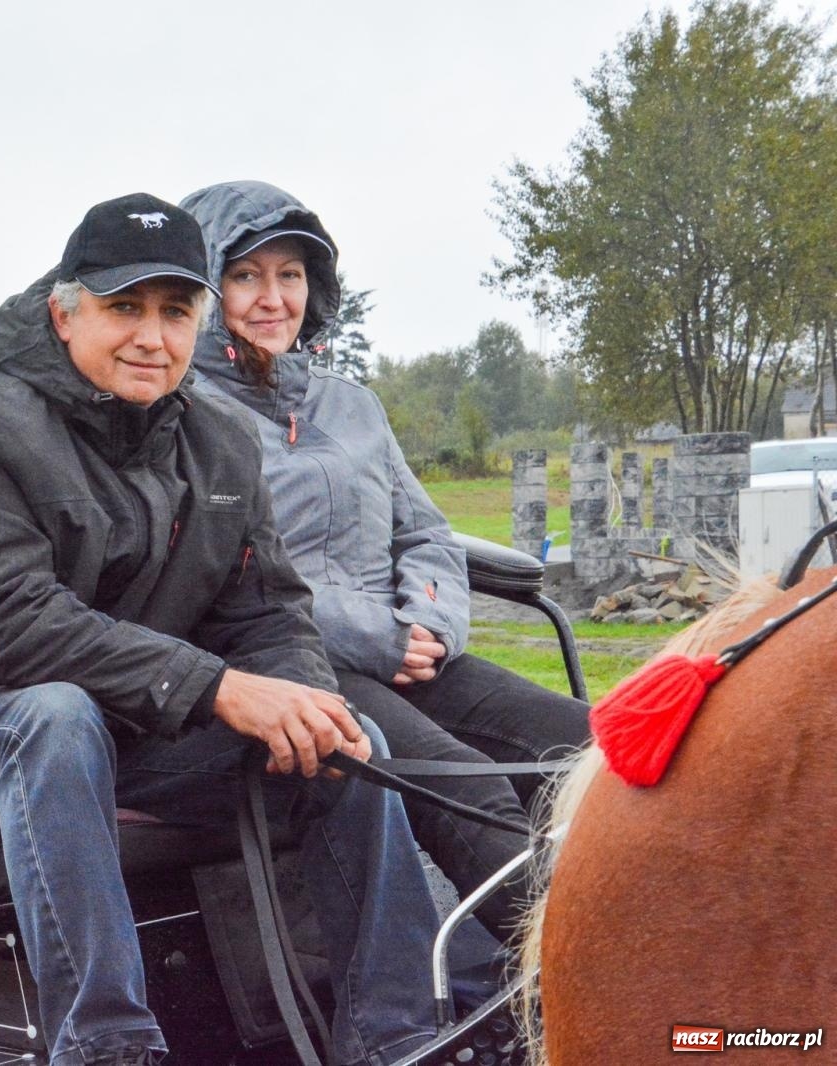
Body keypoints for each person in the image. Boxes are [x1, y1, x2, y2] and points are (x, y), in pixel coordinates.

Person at [0, 193, 484, 1066]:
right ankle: (107, 1045)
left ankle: (400, 1036)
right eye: (124, 308)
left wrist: (302, 699)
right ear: (63, 311)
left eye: (176, 311)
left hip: (134, 722)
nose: (152, 336)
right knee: (53, 717)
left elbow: (267, 610)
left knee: (348, 737)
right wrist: (221, 688)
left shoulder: (219, 441)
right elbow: (10, 628)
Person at [180, 179, 591, 936]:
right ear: (205, 287)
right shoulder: (184, 415)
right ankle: (565, 989)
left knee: (586, 745)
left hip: (409, 648)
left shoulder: (352, 406)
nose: (273, 298)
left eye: (291, 275)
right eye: (245, 275)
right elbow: (229, 570)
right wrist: (380, 637)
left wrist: (429, 618)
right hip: (292, 663)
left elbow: (425, 530)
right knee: (473, 794)